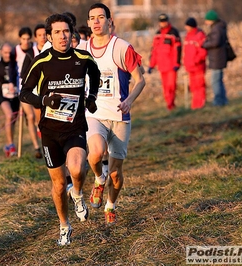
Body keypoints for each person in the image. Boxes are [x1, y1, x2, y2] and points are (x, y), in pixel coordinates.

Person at [19, 13, 100, 246]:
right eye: (57, 32)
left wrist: (91, 96)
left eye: (66, 31)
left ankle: (77, 193)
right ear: (49, 36)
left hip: (74, 128)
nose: (63, 36)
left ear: (72, 33)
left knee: (76, 169)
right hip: (50, 132)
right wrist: (44, 101)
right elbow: (24, 93)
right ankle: (64, 225)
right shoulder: (42, 61)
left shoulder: (83, 57)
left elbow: (95, 73)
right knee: (57, 185)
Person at [78, 3, 145, 225]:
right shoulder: (83, 49)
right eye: (92, 18)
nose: (96, 21)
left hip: (120, 116)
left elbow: (140, 79)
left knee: (116, 173)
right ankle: (98, 178)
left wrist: (129, 100)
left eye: (100, 17)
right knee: (95, 154)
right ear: (88, 23)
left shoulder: (121, 47)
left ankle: (111, 205)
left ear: (109, 21)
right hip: (94, 113)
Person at [11, 27, 42, 158]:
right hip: (24, 87)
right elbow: (14, 69)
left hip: (39, 89)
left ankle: (40, 132)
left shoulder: (45, 49)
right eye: (23, 39)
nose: (26, 41)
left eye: (28, 39)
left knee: (38, 118)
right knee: (30, 117)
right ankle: (36, 147)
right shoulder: (27, 52)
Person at [148, 13, 181, 110]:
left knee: (171, 86)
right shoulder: (157, 34)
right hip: (162, 66)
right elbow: (154, 51)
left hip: (171, 66)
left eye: (164, 21)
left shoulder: (173, 33)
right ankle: (169, 105)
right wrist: (151, 65)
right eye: (161, 22)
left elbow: (178, 49)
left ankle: (171, 105)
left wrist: (177, 63)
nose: (163, 23)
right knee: (165, 88)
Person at [202, 9, 229, 106]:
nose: (205, 22)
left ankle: (218, 101)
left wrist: (204, 44)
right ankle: (223, 100)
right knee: (219, 80)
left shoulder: (216, 29)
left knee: (215, 81)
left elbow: (215, 42)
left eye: (207, 20)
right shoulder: (219, 27)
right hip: (217, 57)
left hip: (217, 58)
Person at [183, 17, 207, 109]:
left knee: (200, 86)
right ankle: (195, 105)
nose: (186, 28)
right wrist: (186, 63)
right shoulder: (187, 36)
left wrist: (195, 61)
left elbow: (203, 52)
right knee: (193, 87)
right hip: (190, 67)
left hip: (198, 66)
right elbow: (186, 51)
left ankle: (201, 104)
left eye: (187, 26)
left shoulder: (200, 35)